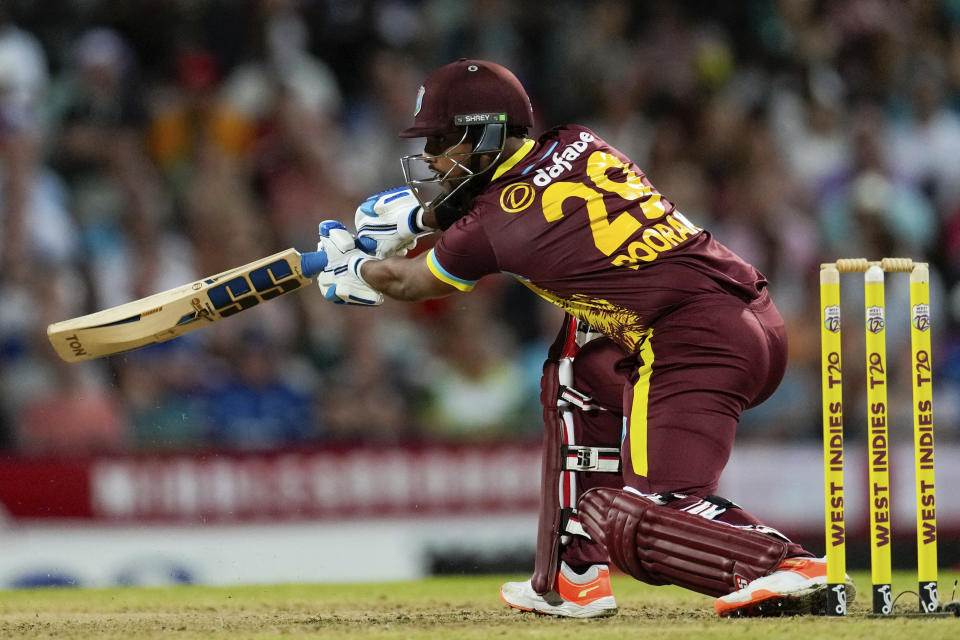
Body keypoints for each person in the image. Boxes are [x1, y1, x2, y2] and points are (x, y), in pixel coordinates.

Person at [314, 58, 854, 618]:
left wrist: (354, 271)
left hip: (687, 343)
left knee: (639, 517)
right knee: (576, 367)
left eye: (442, 140)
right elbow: (509, 200)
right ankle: (571, 575)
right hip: (749, 314)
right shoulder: (579, 141)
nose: (429, 157)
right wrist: (423, 220)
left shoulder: (493, 227)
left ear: (487, 134)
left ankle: (787, 567)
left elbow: (411, 280)